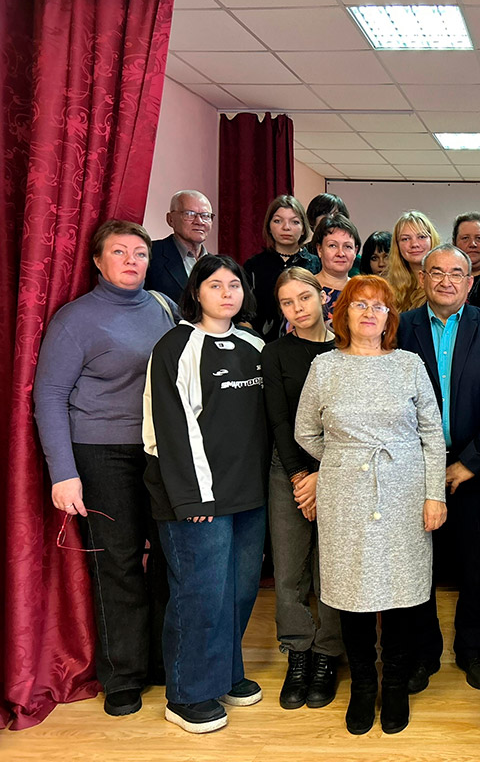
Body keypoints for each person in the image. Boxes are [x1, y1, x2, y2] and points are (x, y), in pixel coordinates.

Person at [34, 220, 176, 718]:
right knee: (117, 563)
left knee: (168, 558)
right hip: (100, 453)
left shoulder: (164, 307)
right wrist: (63, 472)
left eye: (140, 252)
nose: (132, 260)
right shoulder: (75, 319)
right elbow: (49, 396)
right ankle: (123, 675)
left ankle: (162, 663)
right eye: (119, 251)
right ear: (97, 261)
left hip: (161, 451)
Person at [294, 275, 446, 736]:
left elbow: (432, 434)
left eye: (379, 307)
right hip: (344, 495)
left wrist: (434, 494)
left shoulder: (409, 364)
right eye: (360, 304)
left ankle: (394, 684)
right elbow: (305, 431)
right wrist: (344, 459)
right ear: (343, 314)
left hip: (405, 491)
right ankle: (363, 685)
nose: (369, 313)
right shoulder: (325, 367)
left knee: (402, 591)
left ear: (389, 318)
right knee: (352, 592)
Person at [143, 255, 269, 734]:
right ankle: (188, 693)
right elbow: (170, 429)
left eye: (234, 284)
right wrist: (194, 499)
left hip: (248, 495)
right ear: (196, 292)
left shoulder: (254, 345)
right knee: (200, 595)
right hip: (196, 499)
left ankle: (225, 674)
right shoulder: (175, 346)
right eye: (215, 285)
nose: (227, 293)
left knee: (237, 592)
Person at [398, 245, 480, 693]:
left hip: (479, 469)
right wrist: (431, 466)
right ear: (422, 279)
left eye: (456, 273)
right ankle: (422, 654)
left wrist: (469, 463)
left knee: (478, 566)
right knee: (418, 566)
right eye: (436, 272)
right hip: (413, 469)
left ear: (470, 282)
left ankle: (473, 652)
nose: (446, 281)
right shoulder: (402, 327)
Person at [261, 268, 342, 710]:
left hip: (339, 468)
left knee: (332, 567)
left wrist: (322, 475)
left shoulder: (345, 347)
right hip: (288, 469)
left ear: (322, 296)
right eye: (287, 303)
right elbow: (278, 419)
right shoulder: (274, 353)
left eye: (304, 298)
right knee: (290, 567)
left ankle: (328, 653)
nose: (298, 308)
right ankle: (298, 651)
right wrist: (299, 478)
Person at [243, 195, 318, 339]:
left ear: (303, 228)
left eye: (295, 222)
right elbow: (244, 313)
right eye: (278, 221)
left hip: (307, 342)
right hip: (262, 343)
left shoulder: (316, 264)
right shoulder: (253, 265)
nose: (286, 227)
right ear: (269, 227)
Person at [145, 190, 213, 303]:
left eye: (205, 216)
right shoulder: (150, 254)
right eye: (190, 214)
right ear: (170, 219)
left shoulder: (216, 264)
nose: (199, 221)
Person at [312, 214, 361, 328]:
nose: (341, 253)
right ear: (320, 249)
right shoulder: (306, 289)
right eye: (333, 246)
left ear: (355, 251)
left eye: (347, 247)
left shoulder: (364, 291)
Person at [388, 211, 441, 313]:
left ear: (432, 239)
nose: (414, 244)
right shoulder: (389, 288)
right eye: (405, 239)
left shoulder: (446, 284)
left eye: (421, 237)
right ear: (397, 245)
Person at [452, 211, 480, 283]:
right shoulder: (445, 281)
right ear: (454, 244)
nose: (472, 244)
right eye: (465, 238)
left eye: (479, 238)